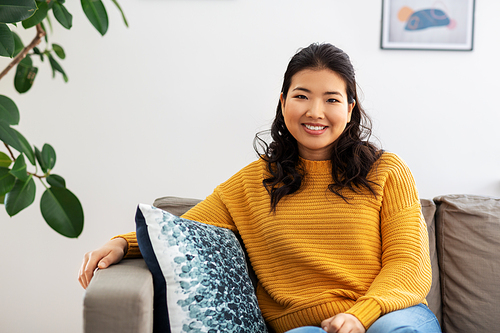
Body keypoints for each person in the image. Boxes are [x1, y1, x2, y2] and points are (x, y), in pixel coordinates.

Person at [79, 43, 441, 333]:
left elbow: (408, 265)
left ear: (350, 109)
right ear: (283, 102)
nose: (316, 111)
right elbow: (184, 229)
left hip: (390, 315)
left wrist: (362, 315)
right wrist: (121, 243)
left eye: (331, 99)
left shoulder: (387, 171)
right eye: (302, 96)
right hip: (306, 326)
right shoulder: (253, 182)